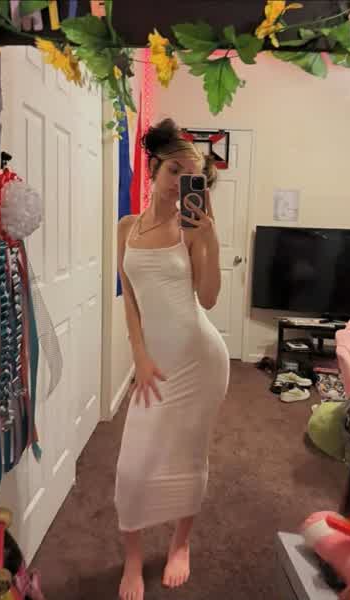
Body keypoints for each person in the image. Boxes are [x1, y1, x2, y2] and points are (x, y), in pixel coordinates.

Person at [114, 118, 230, 600]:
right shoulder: (126, 228)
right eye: (174, 170)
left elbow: (209, 299)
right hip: (154, 364)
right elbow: (130, 297)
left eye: (191, 175)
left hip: (200, 362)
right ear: (155, 169)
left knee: (188, 455)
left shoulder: (192, 230)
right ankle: (133, 559)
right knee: (133, 467)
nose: (180, 181)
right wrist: (138, 355)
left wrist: (210, 239)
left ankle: (181, 543)